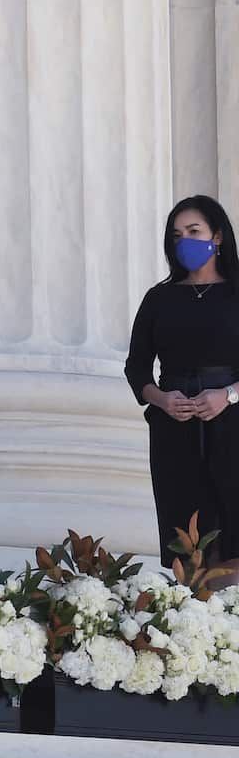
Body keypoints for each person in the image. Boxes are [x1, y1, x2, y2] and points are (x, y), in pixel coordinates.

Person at [125, 194, 239, 576]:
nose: (185, 241)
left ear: (217, 236)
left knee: (231, 530)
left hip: (231, 425)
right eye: (177, 235)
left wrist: (227, 395)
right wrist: (162, 400)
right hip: (175, 430)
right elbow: (137, 368)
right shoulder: (159, 299)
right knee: (185, 544)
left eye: (194, 231)